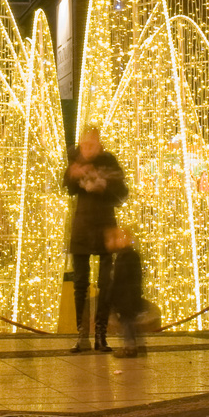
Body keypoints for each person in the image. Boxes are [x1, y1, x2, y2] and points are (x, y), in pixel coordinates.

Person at [64, 126, 127, 353]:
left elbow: (122, 194)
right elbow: (68, 187)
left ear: (99, 145)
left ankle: (101, 334)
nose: (87, 149)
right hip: (82, 229)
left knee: (105, 284)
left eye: (91, 144)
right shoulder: (75, 162)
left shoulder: (109, 163)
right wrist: (75, 174)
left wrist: (103, 184)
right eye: (84, 144)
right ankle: (82, 335)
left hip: (105, 230)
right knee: (80, 284)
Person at [104, 227, 144, 358]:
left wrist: (111, 297)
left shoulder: (125, 257)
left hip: (126, 299)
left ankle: (130, 347)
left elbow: (119, 279)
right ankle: (133, 345)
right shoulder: (128, 256)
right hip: (129, 297)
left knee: (127, 323)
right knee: (128, 323)